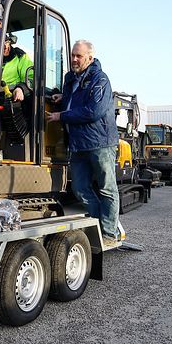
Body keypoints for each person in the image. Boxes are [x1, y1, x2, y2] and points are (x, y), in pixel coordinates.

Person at [46, 39, 120, 246]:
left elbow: (93, 111)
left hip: (100, 143)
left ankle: (109, 234)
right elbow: (75, 100)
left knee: (107, 188)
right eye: (72, 55)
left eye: (79, 56)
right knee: (79, 188)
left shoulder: (100, 79)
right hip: (78, 144)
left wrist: (62, 116)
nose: (74, 59)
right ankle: (98, 225)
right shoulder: (71, 79)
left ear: (90, 57)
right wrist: (64, 97)